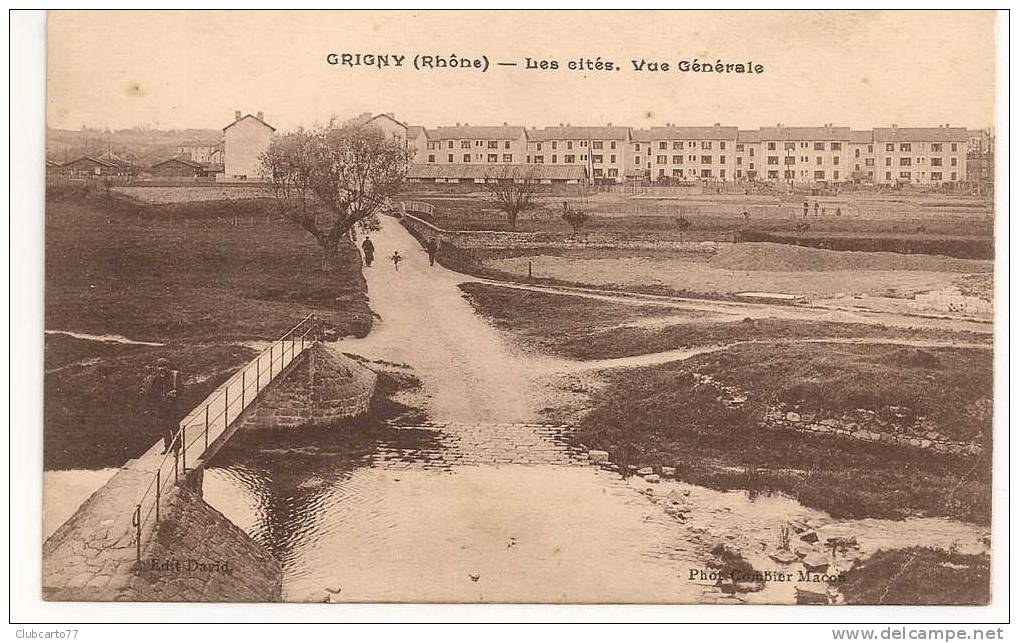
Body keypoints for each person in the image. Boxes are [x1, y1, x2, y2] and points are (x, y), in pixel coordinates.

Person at [141, 357, 181, 455]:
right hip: (161, 406)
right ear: (157, 368)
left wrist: (175, 393)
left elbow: (181, 389)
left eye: (164, 366)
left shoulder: (174, 376)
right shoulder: (155, 378)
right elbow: (152, 392)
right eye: (160, 366)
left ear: (168, 367)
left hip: (173, 406)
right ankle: (167, 447)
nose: (162, 369)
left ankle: (177, 449)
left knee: (174, 427)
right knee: (164, 427)